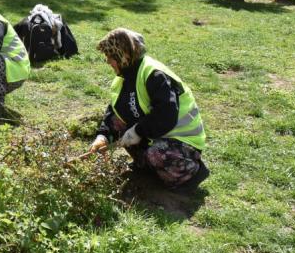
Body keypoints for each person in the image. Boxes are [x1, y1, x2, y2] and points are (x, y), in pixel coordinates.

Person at [89, 28, 209, 190]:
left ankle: (189, 173)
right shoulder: (124, 77)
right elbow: (115, 113)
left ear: (123, 55)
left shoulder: (154, 74)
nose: (108, 62)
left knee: (156, 154)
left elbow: (166, 115)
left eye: (110, 57)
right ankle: (150, 167)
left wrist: (137, 131)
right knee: (124, 131)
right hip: (158, 135)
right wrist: (103, 136)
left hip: (183, 142)